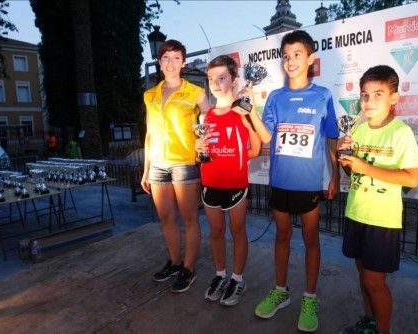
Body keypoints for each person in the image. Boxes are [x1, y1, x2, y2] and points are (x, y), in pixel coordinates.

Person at [249, 30, 340, 332]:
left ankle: (310, 297)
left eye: (297, 54)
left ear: (311, 58)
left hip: (309, 184)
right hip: (280, 181)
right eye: (286, 56)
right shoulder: (275, 97)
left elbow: (331, 139)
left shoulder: (323, 95)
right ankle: (280, 291)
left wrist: (335, 175)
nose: (290, 61)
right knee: (282, 237)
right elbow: (266, 137)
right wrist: (250, 111)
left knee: (311, 240)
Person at [338, 65, 418, 334]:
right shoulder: (359, 130)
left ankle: (382, 331)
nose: (369, 101)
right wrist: (343, 159)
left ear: (394, 98)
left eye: (378, 94)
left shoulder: (401, 133)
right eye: (365, 95)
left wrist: (366, 168)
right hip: (356, 213)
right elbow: (351, 172)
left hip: (382, 221)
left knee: (375, 282)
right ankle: (369, 321)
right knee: (363, 278)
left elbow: (412, 178)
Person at [141, 39, 210, 293]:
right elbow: (149, 132)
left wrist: (203, 146)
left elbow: (209, 124)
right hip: (158, 164)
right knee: (166, 218)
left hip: (184, 163)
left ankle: (189, 268)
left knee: (190, 219)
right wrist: (146, 168)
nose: (171, 63)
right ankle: (175, 261)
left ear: (183, 62)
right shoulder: (150, 94)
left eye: (176, 58)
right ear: (160, 63)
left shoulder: (196, 92)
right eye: (166, 58)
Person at [196, 55, 261, 306]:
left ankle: (237, 278)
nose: (215, 83)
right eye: (211, 78)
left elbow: (255, 149)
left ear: (234, 80)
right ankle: (220, 274)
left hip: (235, 186)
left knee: (237, 232)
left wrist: (237, 157)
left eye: (222, 77)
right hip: (210, 184)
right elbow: (203, 155)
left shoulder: (242, 111)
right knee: (215, 233)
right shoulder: (205, 117)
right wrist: (198, 150)